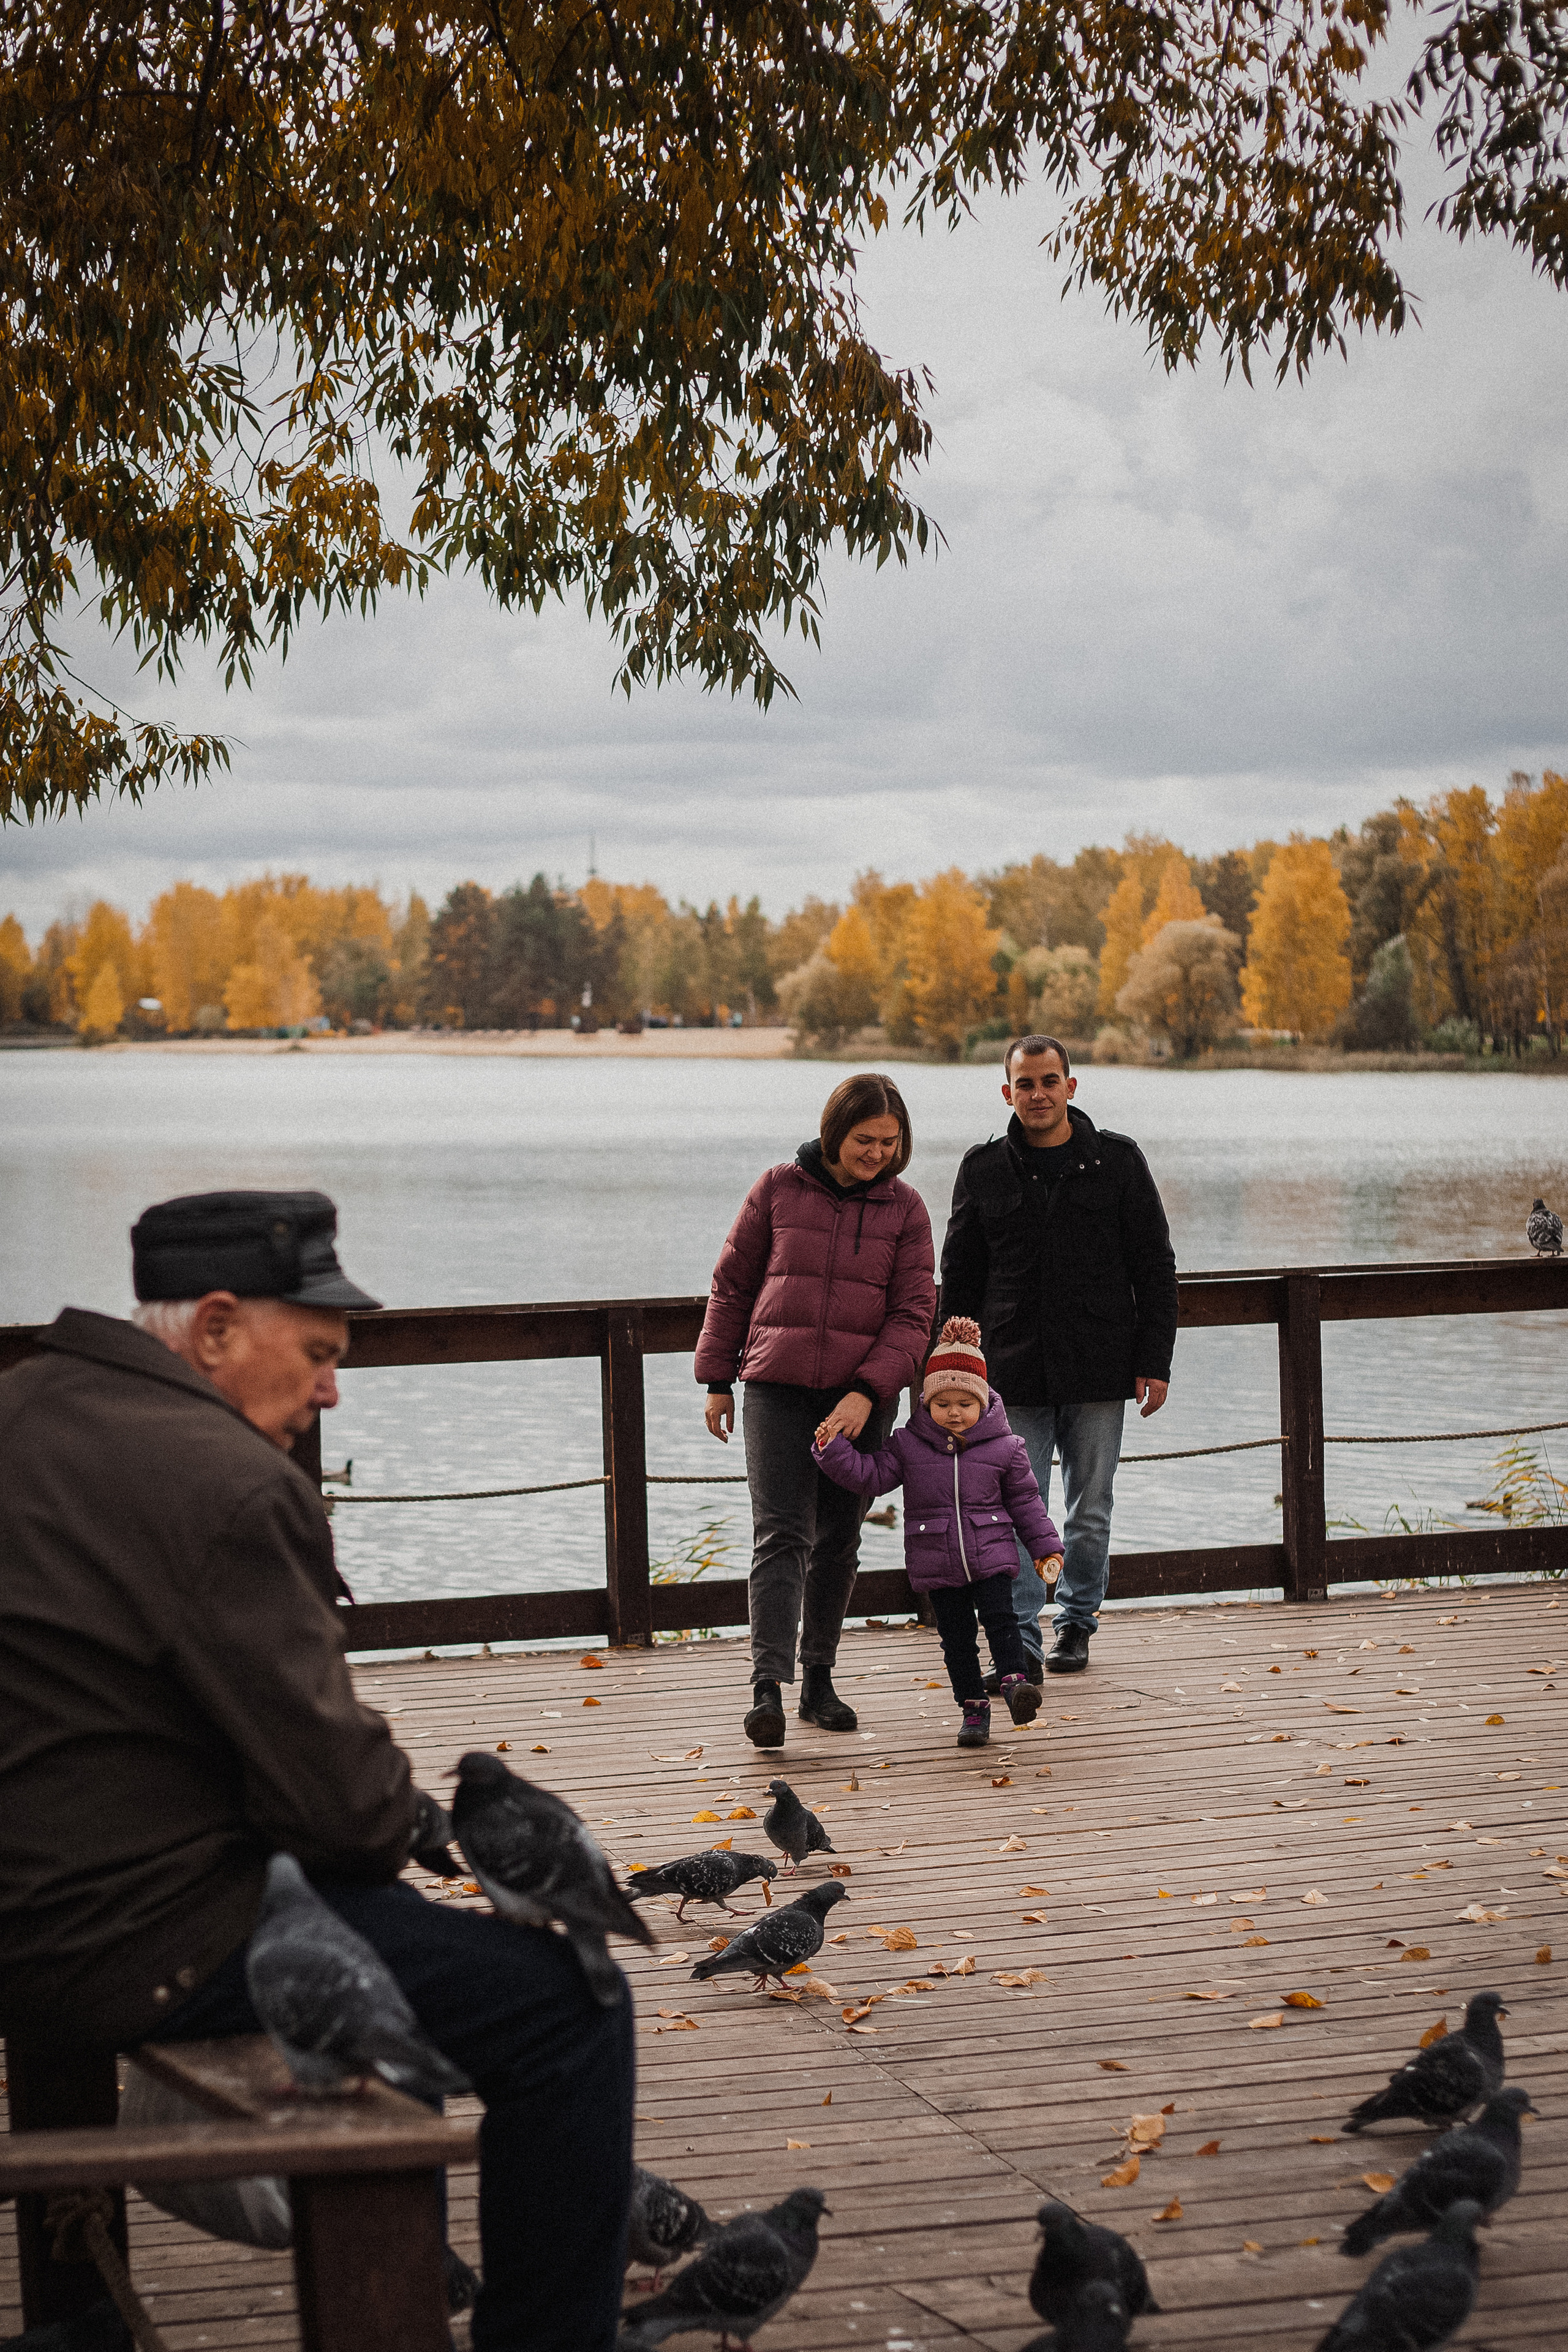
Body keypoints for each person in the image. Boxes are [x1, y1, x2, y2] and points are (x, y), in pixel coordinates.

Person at [0, 1190, 633, 2352]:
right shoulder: (228, 1485)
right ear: (217, 1328)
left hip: (30, 1894)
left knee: (386, 1954)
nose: (332, 1391)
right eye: (320, 1355)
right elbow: (344, 1810)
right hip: (123, 1936)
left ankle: (83, 2315)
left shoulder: (25, 1407)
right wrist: (412, 1817)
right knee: (566, 2007)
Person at [696, 1072, 937, 1747]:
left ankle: (819, 1680)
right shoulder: (778, 1188)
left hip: (860, 1400)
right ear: (835, 1132)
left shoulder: (906, 1209)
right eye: (864, 1140)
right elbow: (732, 1285)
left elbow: (914, 1312)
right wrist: (717, 1378)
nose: (877, 1154)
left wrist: (867, 1392)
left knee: (839, 1538)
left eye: (889, 1142)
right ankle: (766, 1689)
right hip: (776, 1388)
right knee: (781, 1533)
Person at [938, 1035, 1178, 1677]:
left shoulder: (1118, 1162)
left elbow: (1155, 1266)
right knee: (1017, 1508)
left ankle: (1076, 1622)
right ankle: (1020, 1638)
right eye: (1025, 1084)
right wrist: (951, 1367)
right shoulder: (982, 1169)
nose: (1038, 1094)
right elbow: (959, 1276)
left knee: (1089, 1508)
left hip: (1100, 1365)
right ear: (1007, 1093)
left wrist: (1155, 1360)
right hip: (1011, 1370)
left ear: (1071, 1087)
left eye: (1049, 1081)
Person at [812, 1317, 1063, 1749]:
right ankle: (973, 1710)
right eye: (942, 1403)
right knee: (957, 1640)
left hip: (992, 1556)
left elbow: (1027, 1504)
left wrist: (1045, 1549)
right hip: (938, 1562)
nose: (954, 1412)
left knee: (1002, 1620)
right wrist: (831, 1450)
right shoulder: (908, 1445)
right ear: (926, 1402)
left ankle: (1015, 1682)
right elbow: (870, 1476)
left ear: (983, 1402)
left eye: (965, 1403)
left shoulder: (1006, 1448)